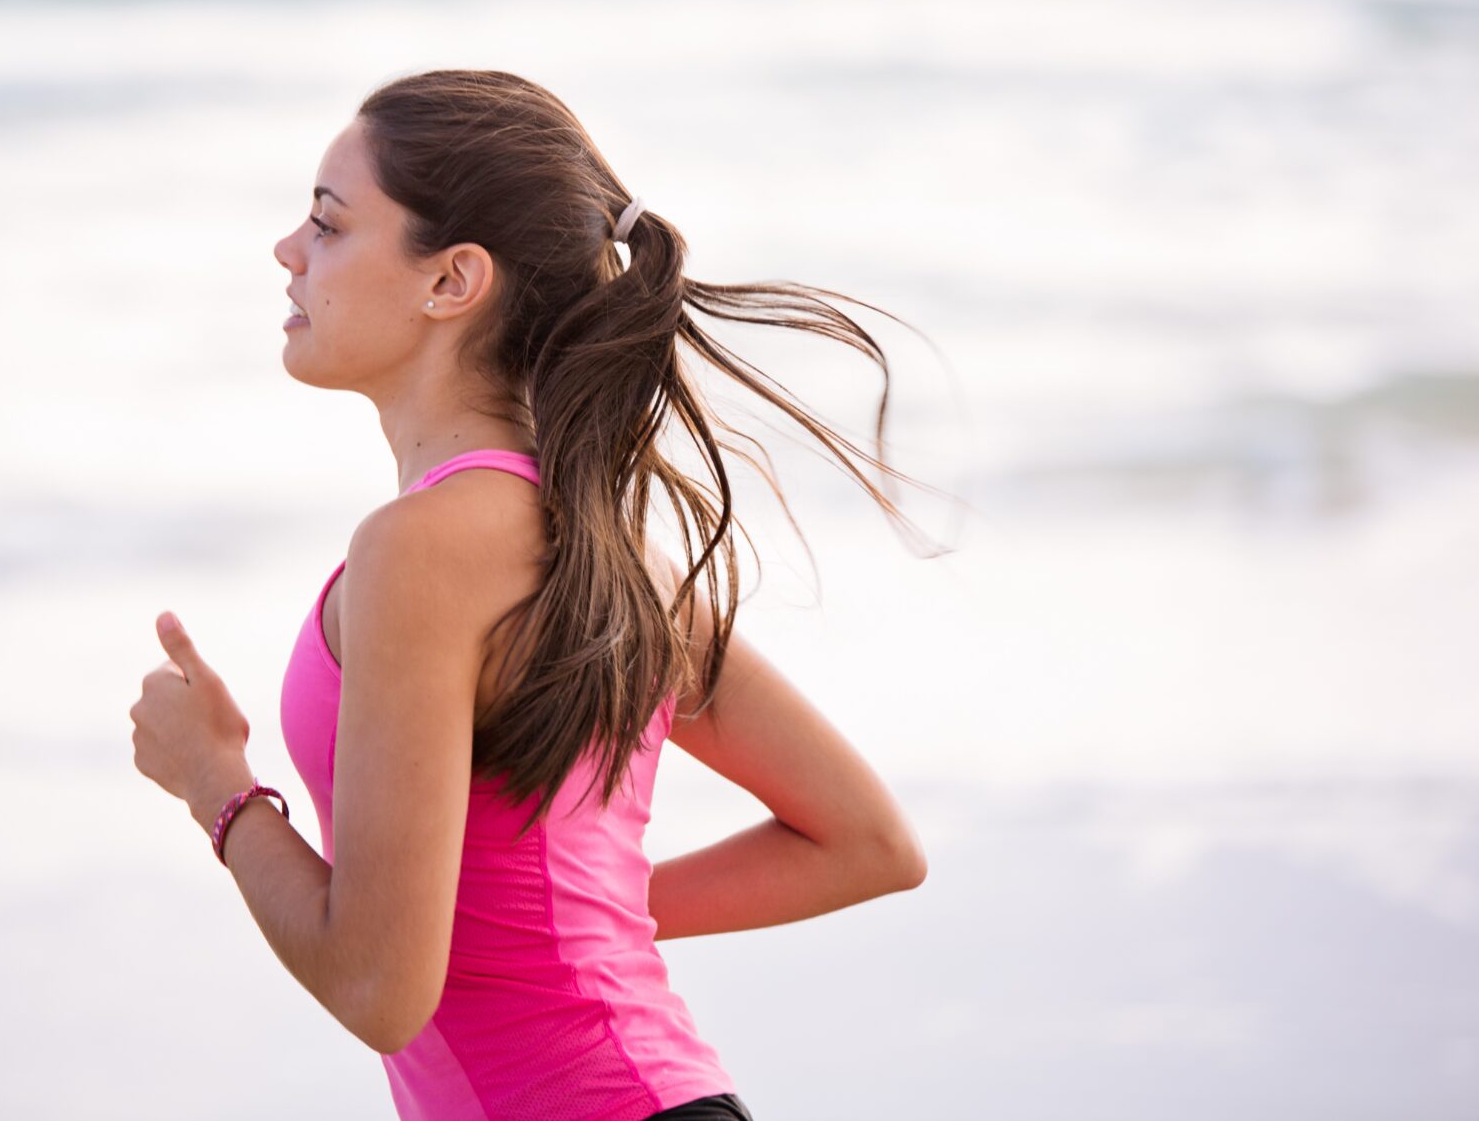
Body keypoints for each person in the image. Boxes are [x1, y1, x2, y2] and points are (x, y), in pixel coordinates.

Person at [130, 68, 942, 1121]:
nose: (288, 250)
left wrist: (216, 786)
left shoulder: (418, 550)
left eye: (328, 226)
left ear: (450, 281)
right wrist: (571, 928)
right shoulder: (599, 545)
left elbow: (378, 991)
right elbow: (864, 843)